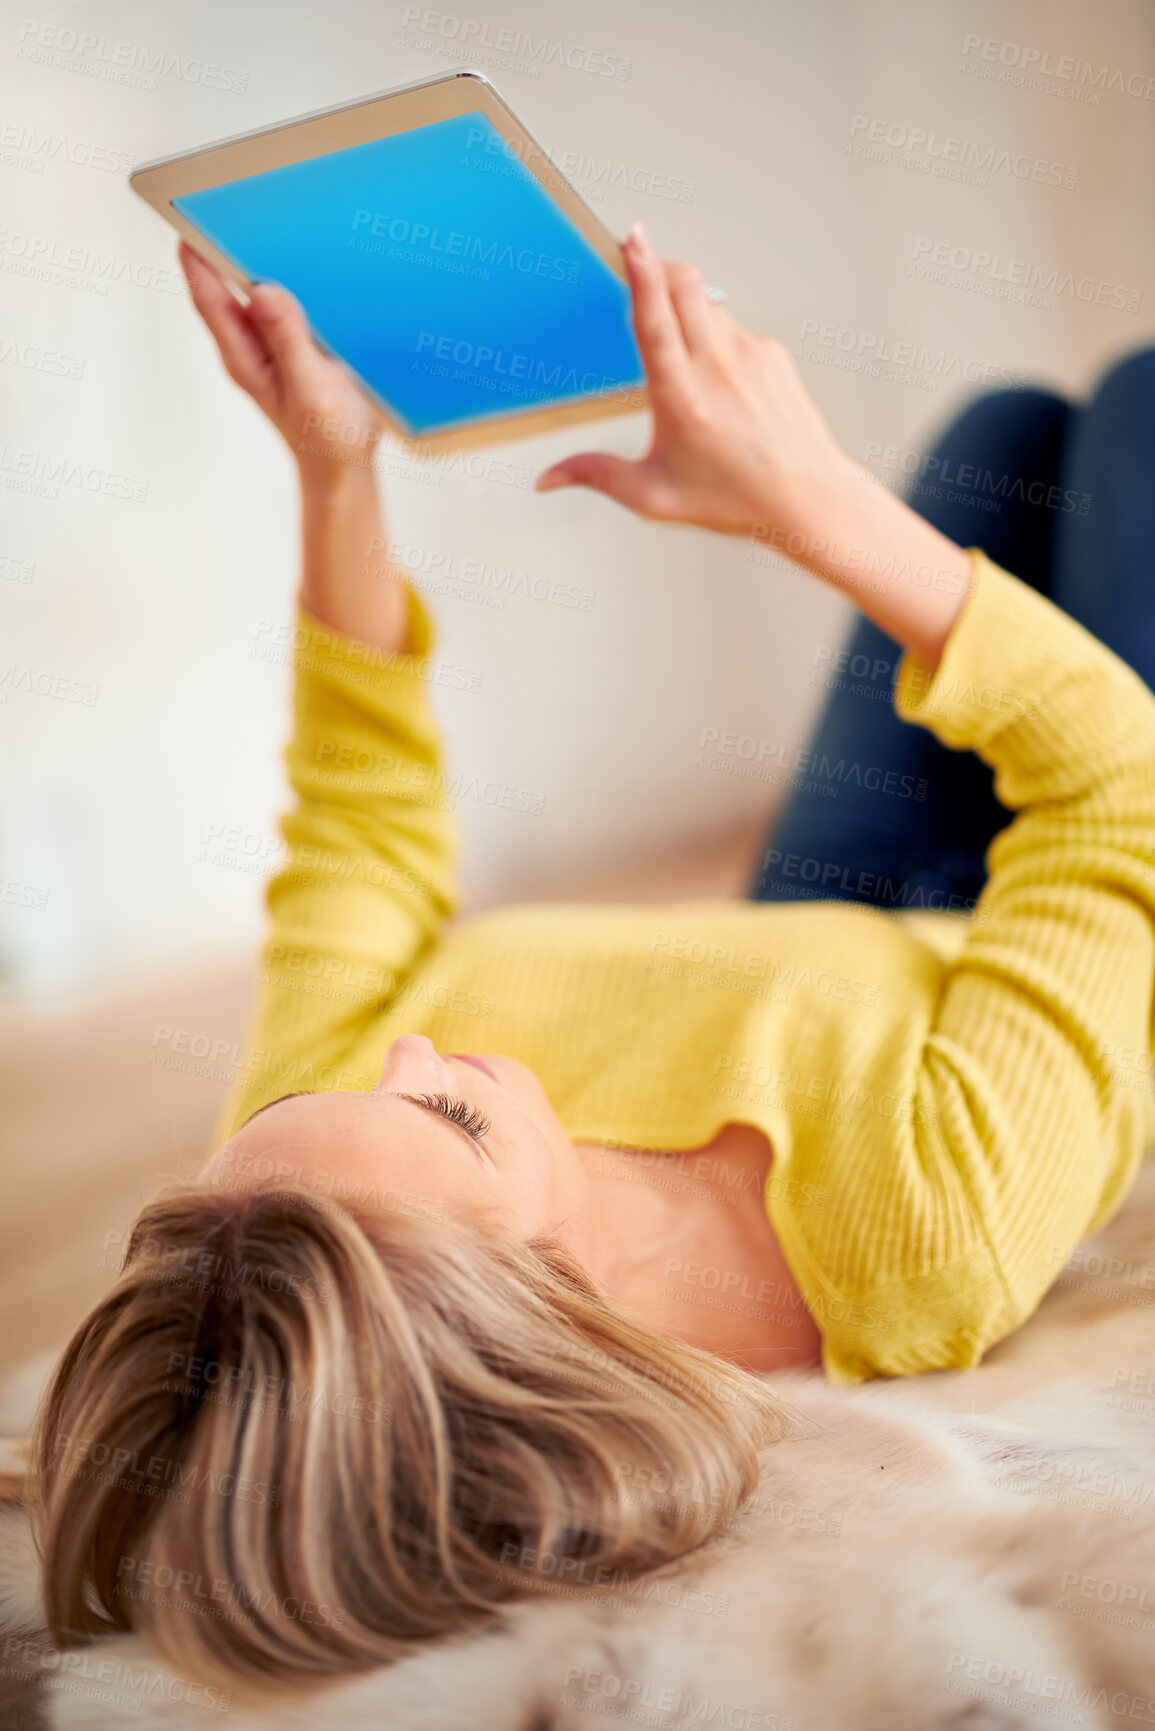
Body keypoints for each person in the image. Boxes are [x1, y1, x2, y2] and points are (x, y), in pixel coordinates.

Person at [33, 221, 1155, 1700]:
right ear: (539, 1307)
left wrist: (331, 463)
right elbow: (1110, 799)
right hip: (1033, 935)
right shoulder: (926, 1228)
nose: (413, 1052)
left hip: (811, 940)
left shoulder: (309, 1176)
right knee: (1133, 407)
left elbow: (359, 829)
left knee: (1010, 434)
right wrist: (804, 503)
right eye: (446, 1114)